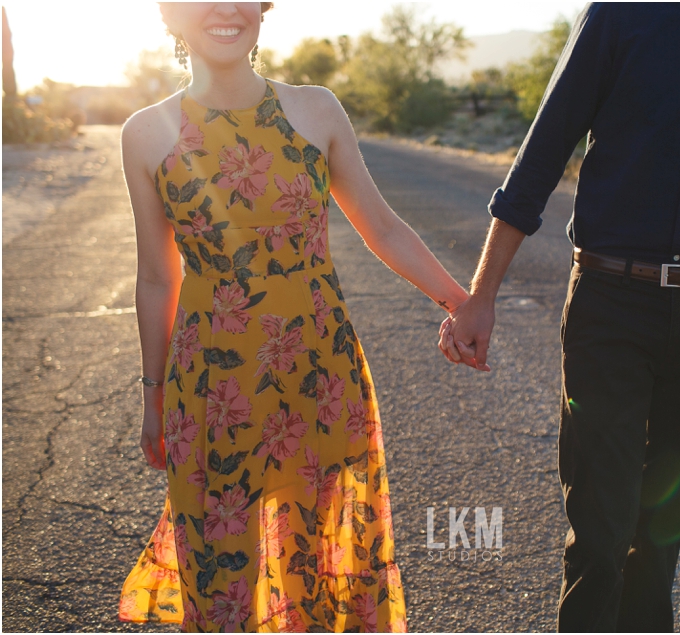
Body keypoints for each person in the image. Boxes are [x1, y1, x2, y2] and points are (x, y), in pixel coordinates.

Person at [440, 3, 680, 631]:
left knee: (659, 539)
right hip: (610, 304)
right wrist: (481, 295)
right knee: (601, 530)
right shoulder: (622, 14)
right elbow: (541, 154)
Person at [117, 3, 469, 631]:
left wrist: (461, 302)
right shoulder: (146, 133)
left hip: (318, 371)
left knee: (316, 554)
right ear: (170, 14)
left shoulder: (316, 109)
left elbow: (381, 226)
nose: (224, 9)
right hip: (212, 388)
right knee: (221, 567)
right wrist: (152, 394)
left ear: (263, 8)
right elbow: (155, 276)